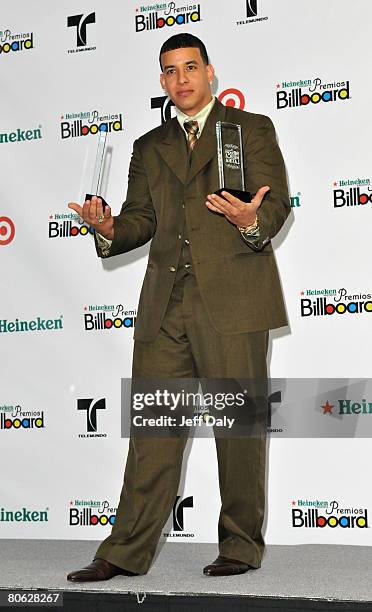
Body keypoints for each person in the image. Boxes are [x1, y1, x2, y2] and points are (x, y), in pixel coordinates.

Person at [66, 33, 291, 581]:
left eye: (191, 67)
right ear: (162, 80)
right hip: (165, 306)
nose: (181, 78)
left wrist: (248, 221)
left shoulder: (250, 129)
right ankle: (124, 552)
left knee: (239, 431)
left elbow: (275, 203)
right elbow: (140, 221)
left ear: (210, 73)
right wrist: (108, 227)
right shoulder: (149, 147)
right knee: (154, 434)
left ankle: (240, 545)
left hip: (234, 301)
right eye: (170, 70)